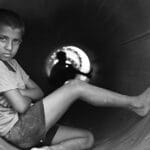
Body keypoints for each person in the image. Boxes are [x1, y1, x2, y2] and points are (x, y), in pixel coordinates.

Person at [0, 8, 150, 150]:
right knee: (76, 86)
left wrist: (20, 92)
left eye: (15, 41)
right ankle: (136, 104)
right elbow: (21, 107)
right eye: (3, 39)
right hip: (19, 129)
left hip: (29, 126)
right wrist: (23, 98)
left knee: (87, 138)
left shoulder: (13, 64)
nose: (9, 47)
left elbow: (38, 92)